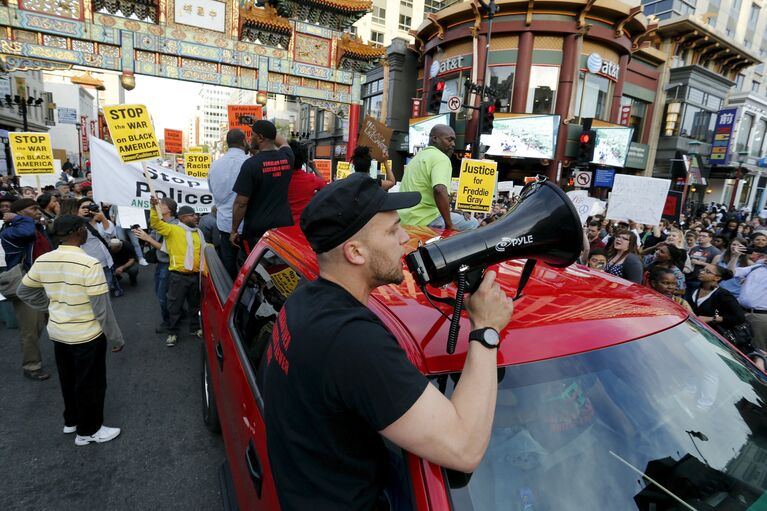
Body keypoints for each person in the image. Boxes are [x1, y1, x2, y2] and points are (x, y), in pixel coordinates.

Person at [263, 174, 513, 509]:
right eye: (393, 230)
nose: (406, 237)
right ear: (355, 252)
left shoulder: (307, 298)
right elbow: (464, 449)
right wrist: (486, 329)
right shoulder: (350, 341)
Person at [17, 215, 123, 445]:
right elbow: (102, 310)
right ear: (77, 231)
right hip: (86, 336)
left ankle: (72, 421)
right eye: (84, 228)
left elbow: (24, 291)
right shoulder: (90, 264)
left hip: (58, 332)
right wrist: (116, 339)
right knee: (91, 384)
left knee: (68, 379)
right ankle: (89, 431)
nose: (87, 231)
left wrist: (53, 305)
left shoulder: (44, 260)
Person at [1, 198, 52, 380]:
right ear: (20, 213)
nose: (38, 211)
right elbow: (27, 231)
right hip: (27, 285)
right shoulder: (11, 231)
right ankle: (31, 366)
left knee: (49, 320)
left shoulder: (37, 227)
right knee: (31, 329)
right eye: (33, 208)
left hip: (46, 281)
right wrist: (17, 219)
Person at [149, 197, 205, 347]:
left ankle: (195, 328)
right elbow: (155, 224)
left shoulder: (198, 233)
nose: (196, 217)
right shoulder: (173, 229)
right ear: (183, 218)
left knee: (194, 305)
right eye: (192, 215)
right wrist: (154, 208)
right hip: (178, 277)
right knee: (174, 306)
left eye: (195, 215)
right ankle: (172, 332)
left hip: (195, 276)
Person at [398, 124, 478, 231]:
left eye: (454, 141)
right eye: (449, 140)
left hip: (405, 219)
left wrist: (449, 212)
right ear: (435, 138)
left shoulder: (417, 157)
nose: (453, 144)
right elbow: (439, 189)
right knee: (472, 223)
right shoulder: (441, 158)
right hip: (425, 219)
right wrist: (449, 224)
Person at [231, 120, 294, 253]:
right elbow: (283, 142)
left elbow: (241, 203)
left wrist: (234, 230)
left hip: (258, 231)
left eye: (252, 134)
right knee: (280, 267)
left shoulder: (251, 165)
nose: (249, 138)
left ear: (260, 137)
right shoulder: (288, 156)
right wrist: (266, 128)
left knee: (257, 269)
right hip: (283, 227)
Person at [132, 197, 178, 332]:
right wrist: (144, 235)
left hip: (169, 264)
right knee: (160, 292)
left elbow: (168, 249)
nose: (158, 206)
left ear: (169, 209)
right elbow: (154, 240)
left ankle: (169, 323)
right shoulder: (159, 223)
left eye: (161, 204)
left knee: (163, 297)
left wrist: (147, 238)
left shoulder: (174, 226)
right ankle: (177, 314)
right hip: (161, 263)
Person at [208, 128, 249, 278]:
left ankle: (229, 294)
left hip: (225, 223)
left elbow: (212, 190)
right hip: (246, 225)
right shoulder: (249, 162)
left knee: (228, 262)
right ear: (244, 141)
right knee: (249, 264)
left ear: (227, 144)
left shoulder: (215, 165)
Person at [689, 264, 747, 341]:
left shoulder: (723, 295)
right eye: (702, 269)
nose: (702, 272)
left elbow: (739, 317)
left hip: (709, 336)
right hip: (689, 330)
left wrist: (711, 318)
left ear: (717, 278)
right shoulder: (693, 287)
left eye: (707, 272)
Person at [77, 198, 117, 291]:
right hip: (87, 266)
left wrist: (102, 218)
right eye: (83, 207)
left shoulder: (101, 221)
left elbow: (111, 234)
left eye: (90, 206)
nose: (87, 209)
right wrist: (79, 217)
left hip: (105, 263)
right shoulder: (76, 223)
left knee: (105, 292)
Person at [732, 246, 767, 350]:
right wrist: (734, 256)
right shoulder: (756, 267)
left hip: (760, 317)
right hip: (741, 312)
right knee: (736, 345)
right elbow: (731, 273)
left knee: (757, 349)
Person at [287, 140, 327, 226]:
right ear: (303, 160)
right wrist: (315, 168)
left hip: (281, 227)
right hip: (303, 226)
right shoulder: (311, 179)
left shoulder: (279, 178)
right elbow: (326, 187)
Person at [686, 230, 721, 297]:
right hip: (688, 277)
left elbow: (713, 268)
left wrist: (700, 263)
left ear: (710, 238)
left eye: (704, 236)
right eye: (699, 235)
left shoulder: (715, 251)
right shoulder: (694, 248)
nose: (701, 237)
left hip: (699, 280)